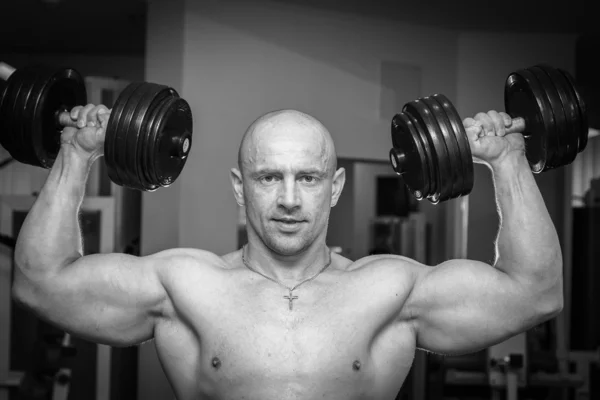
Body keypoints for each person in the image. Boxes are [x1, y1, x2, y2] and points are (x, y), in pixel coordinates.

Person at [13, 103, 563, 400]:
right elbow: (41, 282)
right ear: (238, 187)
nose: (290, 199)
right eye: (268, 177)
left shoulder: (390, 289)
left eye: (309, 177)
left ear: (337, 187)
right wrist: (75, 155)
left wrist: (509, 159)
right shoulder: (184, 285)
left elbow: (534, 293)